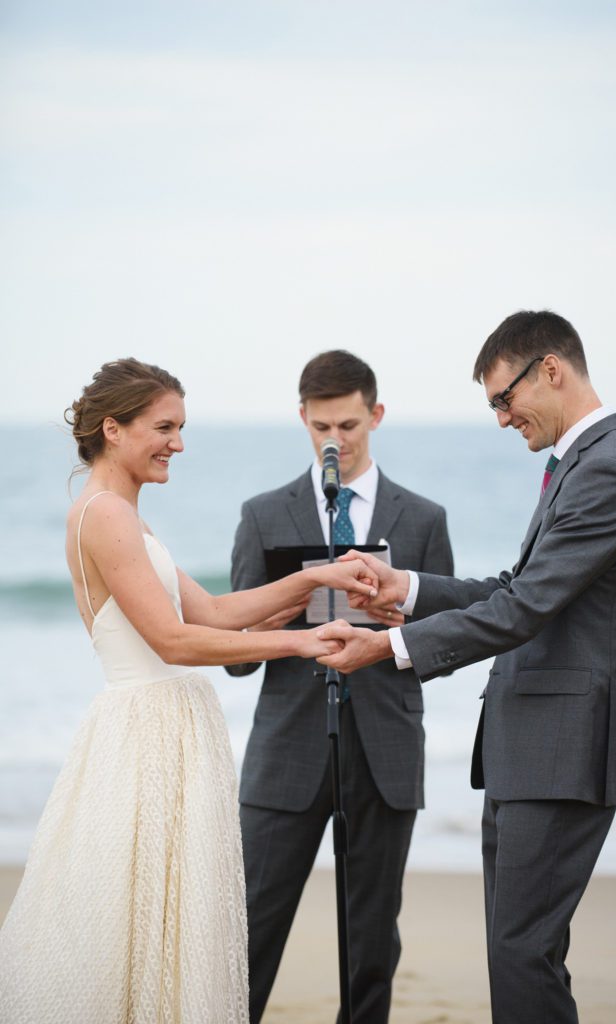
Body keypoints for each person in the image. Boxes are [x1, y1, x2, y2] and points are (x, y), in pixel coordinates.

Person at [0, 357, 379, 1024]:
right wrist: (301, 641)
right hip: (145, 735)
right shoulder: (105, 515)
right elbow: (175, 642)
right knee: (136, 923)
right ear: (113, 429)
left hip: (167, 732)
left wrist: (320, 579)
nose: (179, 443)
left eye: (181, 427)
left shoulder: (124, 516)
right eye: (165, 427)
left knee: (166, 918)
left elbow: (217, 613)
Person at [316, 312, 616, 1024]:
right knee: (520, 953)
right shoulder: (577, 465)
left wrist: (387, 647)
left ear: (552, 370)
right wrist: (404, 589)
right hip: (528, 750)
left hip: (561, 752)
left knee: (521, 955)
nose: (502, 418)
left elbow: (525, 609)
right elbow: (516, 587)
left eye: (504, 399)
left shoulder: (612, 473)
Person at [225, 350, 454, 1023]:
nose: (336, 440)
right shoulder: (264, 515)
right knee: (249, 935)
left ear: (375, 416)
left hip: (385, 753)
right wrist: (281, 613)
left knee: (371, 947)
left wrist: (398, 625)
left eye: (349, 425)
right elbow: (236, 656)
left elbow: (453, 640)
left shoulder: (425, 518)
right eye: (322, 426)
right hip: (287, 754)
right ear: (302, 419)